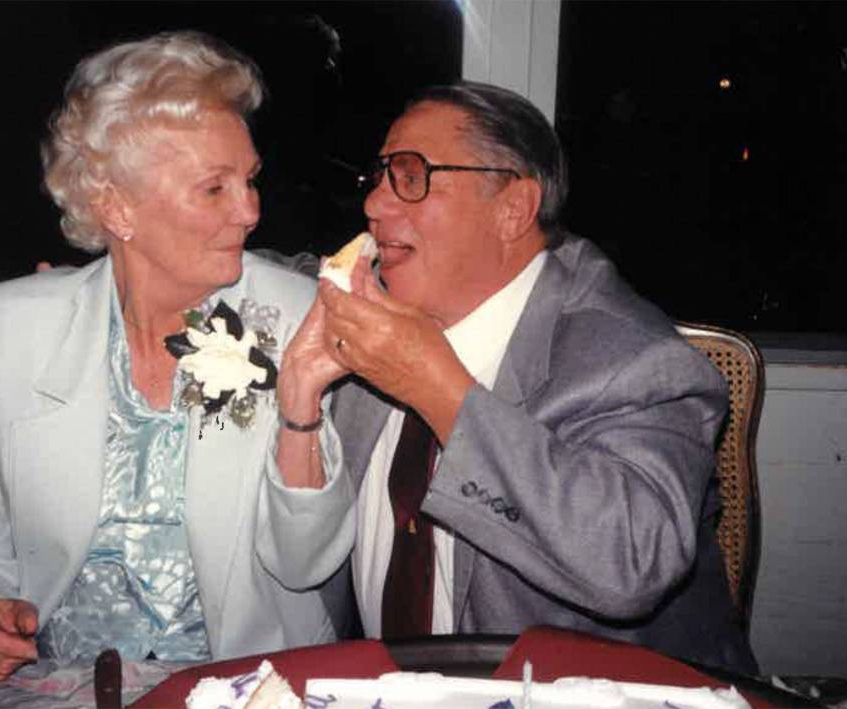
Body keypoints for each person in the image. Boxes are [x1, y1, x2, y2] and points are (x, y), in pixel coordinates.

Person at [0, 31, 355, 682]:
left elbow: (306, 565)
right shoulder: (19, 324)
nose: (250, 210)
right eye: (215, 188)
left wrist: (298, 411)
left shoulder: (293, 319)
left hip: (242, 687)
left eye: (250, 179)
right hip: (54, 687)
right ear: (117, 207)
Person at [282, 81, 758, 674]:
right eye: (379, 177)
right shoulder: (374, 308)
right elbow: (266, 276)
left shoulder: (631, 358)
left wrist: (436, 388)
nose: (376, 204)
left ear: (513, 208)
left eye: (410, 175)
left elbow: (634, 560)